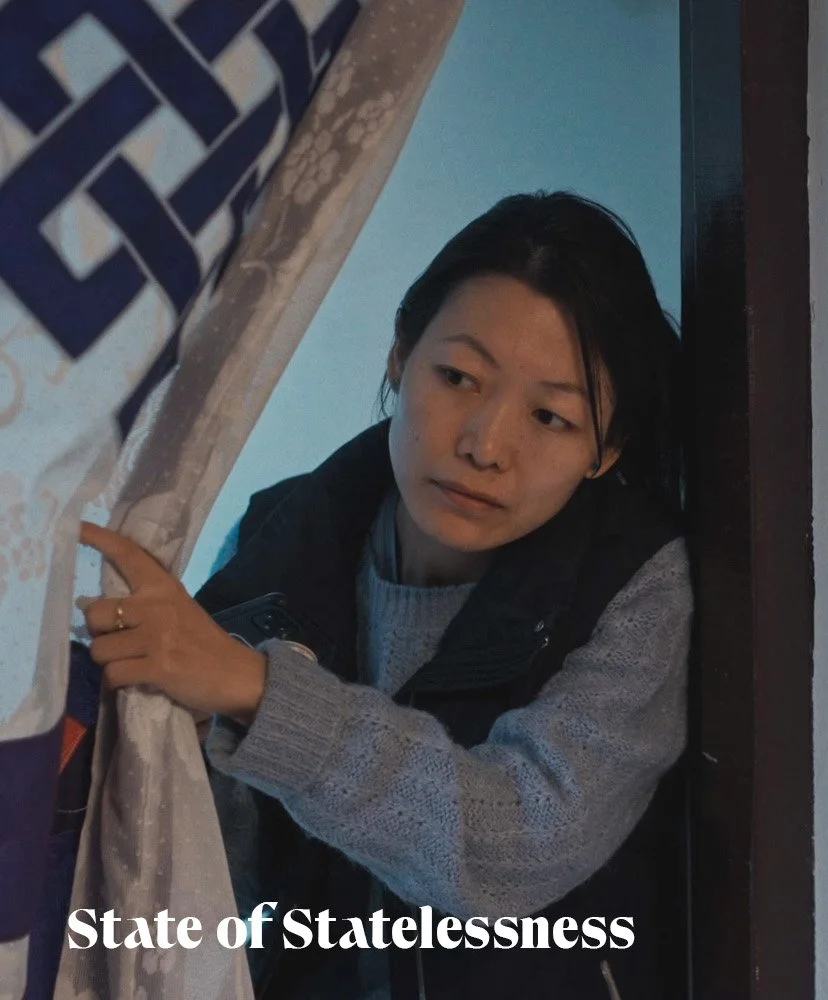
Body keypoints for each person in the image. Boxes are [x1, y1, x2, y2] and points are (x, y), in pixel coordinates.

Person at [76, 191, 690, 1000]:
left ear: (605, 450)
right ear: (399, 357)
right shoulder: (280, 540)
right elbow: (222, 879)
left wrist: (258, 694)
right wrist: (170, 735)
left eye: (550, 416)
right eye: (459, 377)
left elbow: (518, 846)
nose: (485, 445)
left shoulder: (639, 579)